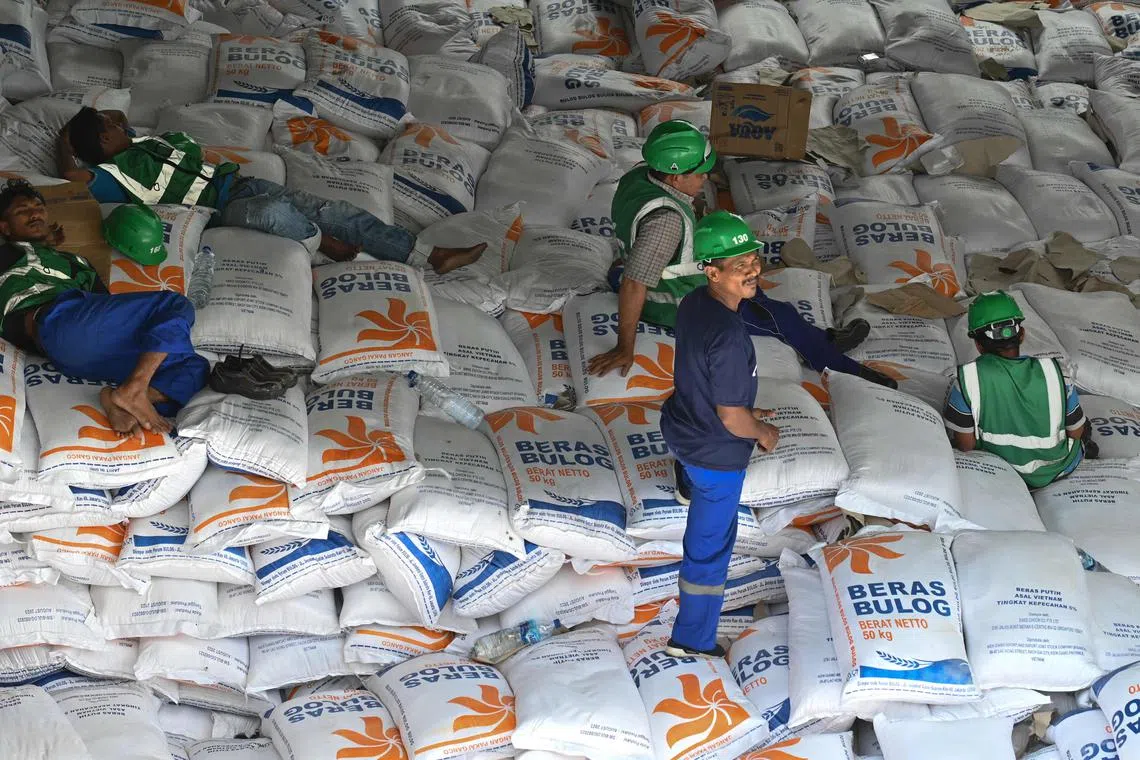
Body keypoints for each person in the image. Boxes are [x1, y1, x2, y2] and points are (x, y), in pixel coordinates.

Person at [588, 119, 891, 388]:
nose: (705, 178)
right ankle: (843, 367)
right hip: (680, 302)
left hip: (681, 274)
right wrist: (624, 347)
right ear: (675, 177)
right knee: (776, 316)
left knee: (764, 298)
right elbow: (634, 283)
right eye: (699, 174)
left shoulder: (641, 174)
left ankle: (824, 341)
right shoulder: (665, 222)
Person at [57, 107, 485, 272]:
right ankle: (324, 244)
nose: (117, 124)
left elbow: (114, 111)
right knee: (269, 212)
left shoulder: (141, 142)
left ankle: (427, 256)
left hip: (239, 183)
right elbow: (70, 179)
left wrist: (97, 122)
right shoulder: (112, 173)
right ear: (101, 142)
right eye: (108, 128)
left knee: (333, 206)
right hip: (220, 212)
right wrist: (67, 139)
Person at [0, 179, 210, 437]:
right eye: (22, 211)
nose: (34, 213)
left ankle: (123, 397)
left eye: (38, 207)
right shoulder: (6, 255)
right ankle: (135, 388)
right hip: (53, 321)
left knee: (194, 367)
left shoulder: (78, 262)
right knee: (175, 303)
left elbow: (105, 311)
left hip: (85, 348)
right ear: (4, 227)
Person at [659, 211, 780, 658]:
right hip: (714, 456)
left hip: (679, 425)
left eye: (753, 260)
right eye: (738, 266)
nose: (752, 271)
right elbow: (732, 421)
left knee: (696, 475)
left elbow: (704, 374)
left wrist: (743, 408)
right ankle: (690, 640)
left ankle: (686, 484)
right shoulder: (729, 336)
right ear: (712, 271)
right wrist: (761, 429)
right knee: (709, 552)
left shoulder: (695, 302)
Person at [943, 290, 1096, 488]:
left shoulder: (965, 381)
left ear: (978, 344)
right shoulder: (1057, 372)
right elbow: (1075, 432)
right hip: (1056, 469)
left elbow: (966, 446)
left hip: (1000, 471)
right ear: (1022, 335)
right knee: (1084, 426)